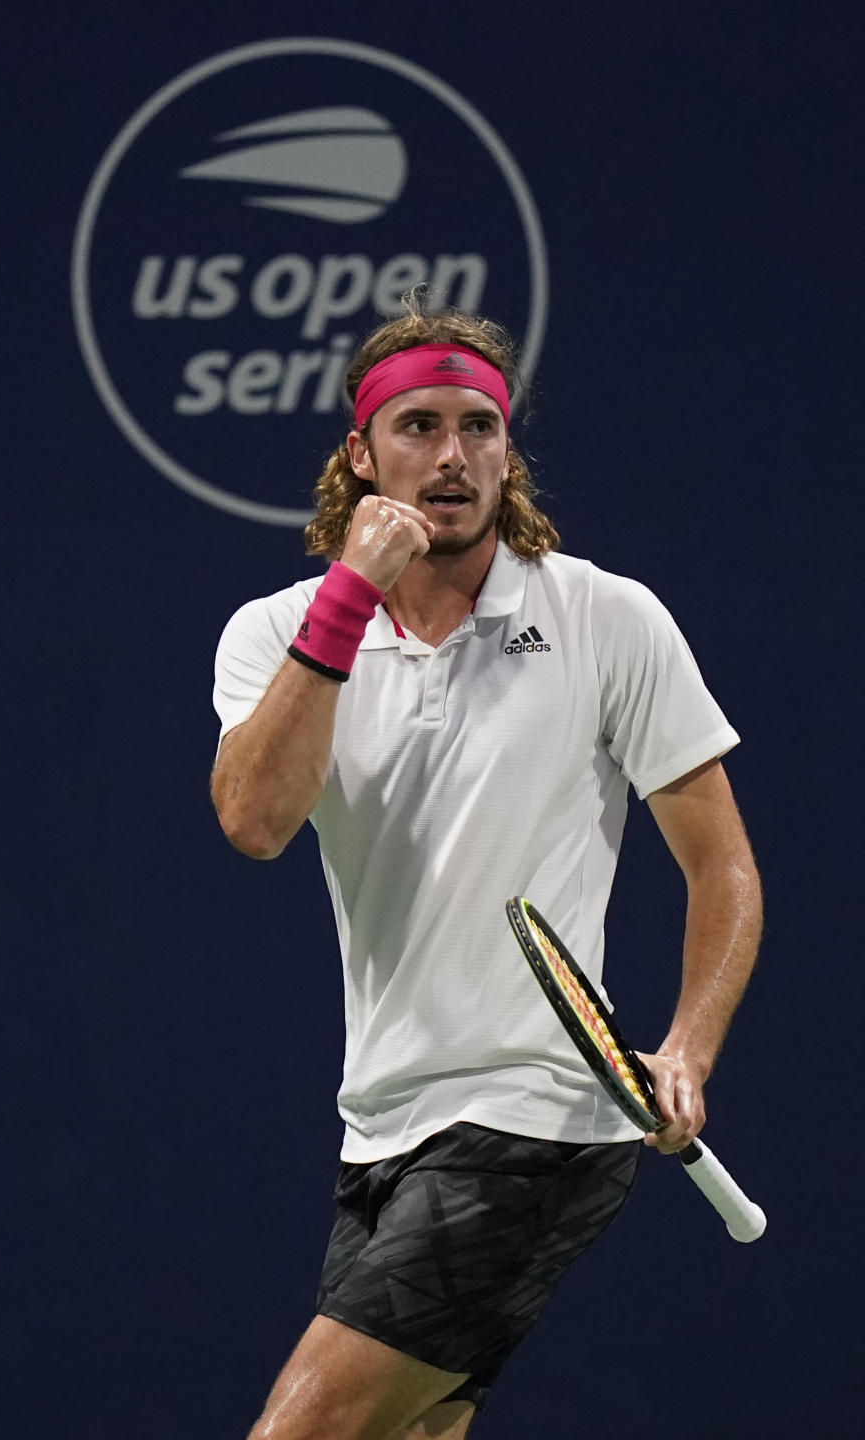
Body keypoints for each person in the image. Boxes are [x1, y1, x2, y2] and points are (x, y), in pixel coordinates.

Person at [210, 299, 762, 1440]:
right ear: (361, 455)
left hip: (539, 1113)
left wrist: (689, 1049)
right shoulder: (276, 632)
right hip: (384, 1123)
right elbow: (256, 822)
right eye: (418, 425)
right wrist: (350, 596)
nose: (452, 455)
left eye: (479, 426)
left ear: (509, 451)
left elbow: (725, 869)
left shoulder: (608, 618)